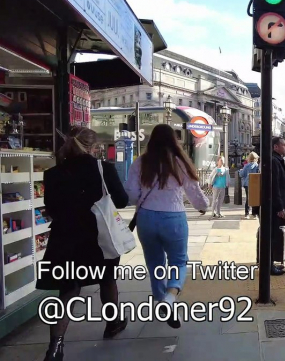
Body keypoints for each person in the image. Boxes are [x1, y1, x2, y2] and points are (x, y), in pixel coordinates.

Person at [37, 127, 129, 361]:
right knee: (107, 279)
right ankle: (113, 323)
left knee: (67, 289)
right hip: (99, 237)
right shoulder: (103, 169)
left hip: (65, 237)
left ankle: (55, 346)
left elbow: (51, 209)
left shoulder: (53, 173)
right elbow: (122, 200)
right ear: (93, 147)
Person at [124, 124, 209, 329]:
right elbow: (194, 191)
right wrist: (203, 207)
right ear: (174, 140)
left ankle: (160, 300)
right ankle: (170, 299)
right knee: (179, 260)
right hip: (173, 217)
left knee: (155, 264)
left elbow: (131, 194)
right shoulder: (179, 162)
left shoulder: (140, 162)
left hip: (146, 218)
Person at [270, 136, 285, 276]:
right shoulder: (274, 161)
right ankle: (269, 266)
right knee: (271, 237)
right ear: (276, 147)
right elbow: (275, 186)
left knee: (274, 235)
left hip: (275, 206)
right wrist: (279, 208)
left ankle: (271, 263)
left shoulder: (277, 160)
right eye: (283, 145)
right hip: (274, 208)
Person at [240, 152, 260, 218]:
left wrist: (240, 171)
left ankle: (247, 213)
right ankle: (254, 213)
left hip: (247, 184)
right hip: (255, 184)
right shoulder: (257, 166)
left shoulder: (246, 166)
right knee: (255, 198)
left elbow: (242, 174)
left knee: (248, 198)